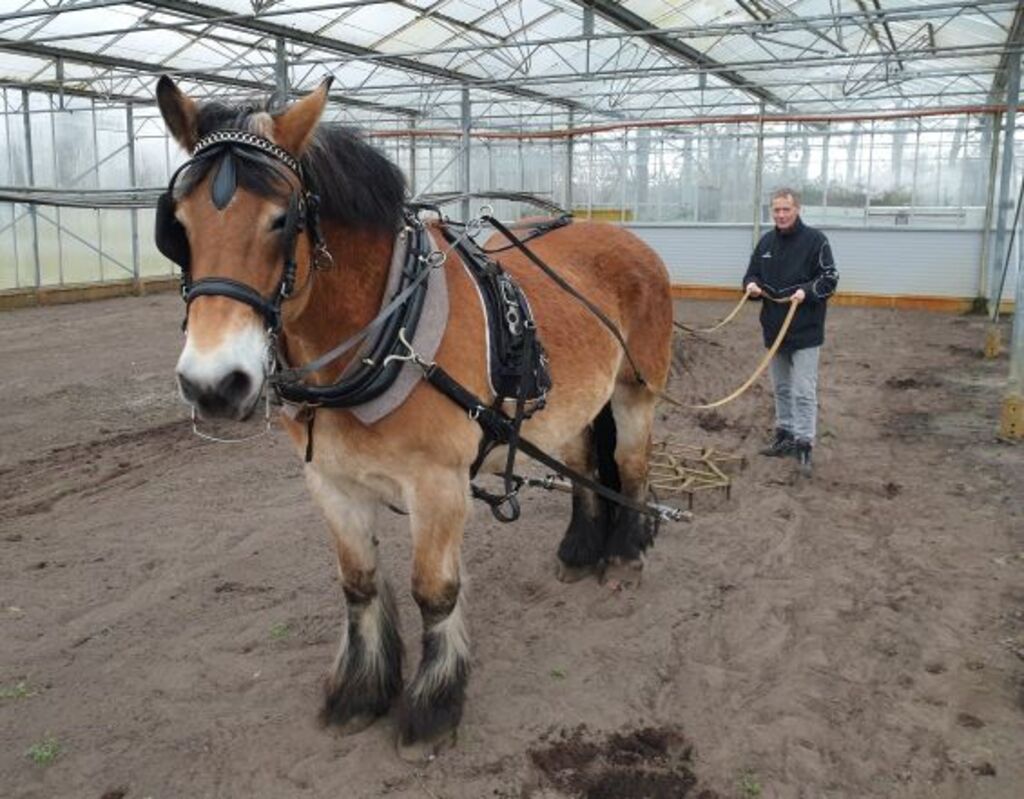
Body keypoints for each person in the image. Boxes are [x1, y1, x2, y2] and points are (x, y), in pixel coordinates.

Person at [742, 188, 839, 476]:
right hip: (774, 330)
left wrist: (806, 292)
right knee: (781, 387)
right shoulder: (766, 242)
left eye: (786, 209)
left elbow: (830, 279)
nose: (781, 215)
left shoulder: (816, 241)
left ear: (797, 209)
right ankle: (784, 434)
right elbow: (751, 273)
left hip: (805, 331)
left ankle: (804, 442)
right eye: (776, 210)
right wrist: (750, 286)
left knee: (803, 390)